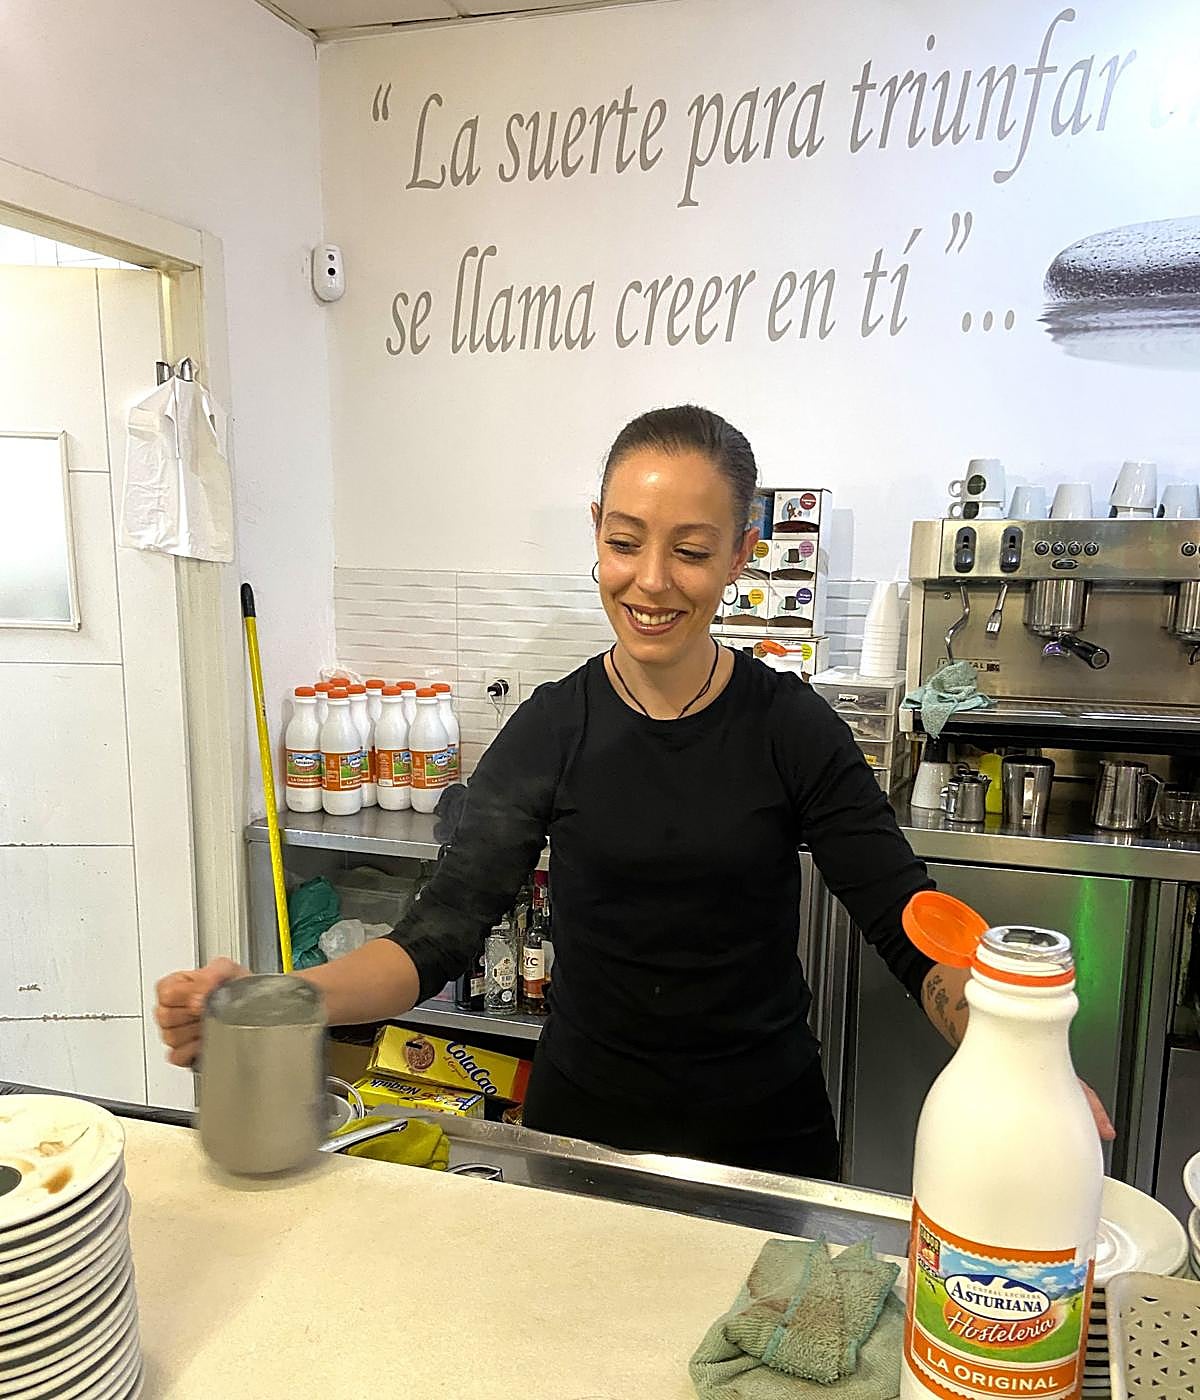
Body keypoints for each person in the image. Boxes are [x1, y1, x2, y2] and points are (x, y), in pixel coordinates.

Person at [156, 405, 1113, 1177]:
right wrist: (279, 997)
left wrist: (1018, 1060)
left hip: (765, 1145)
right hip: (585, 1136)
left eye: (691, 551)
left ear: (741, 554)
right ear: (597, 534)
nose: (651, 582)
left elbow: (909, 923)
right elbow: (433, 940)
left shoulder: (790, 728)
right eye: (625, 542)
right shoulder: (552, 728)